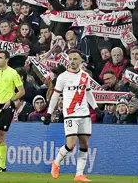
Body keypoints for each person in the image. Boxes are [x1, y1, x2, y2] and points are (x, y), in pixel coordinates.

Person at [45, 50, 97, 182]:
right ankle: (56, 163)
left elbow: (89, 93)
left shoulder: (85, 76)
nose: (72, 61)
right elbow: (55, 95)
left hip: (84, 114)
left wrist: (95, 107)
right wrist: (49, 113)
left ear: (81, 61)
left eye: (75, 59)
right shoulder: (63, 77)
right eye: (70, 59)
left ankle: (79, 174)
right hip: (70, 114)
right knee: (71, 144)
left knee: (84, 144)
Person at [0, 50, 25, 172]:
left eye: (0, 57)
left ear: (7, 60)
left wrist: (11, 100)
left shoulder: (13, 73)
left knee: (1, 135)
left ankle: (2, 166)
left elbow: (21, 91)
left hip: (7, 106)